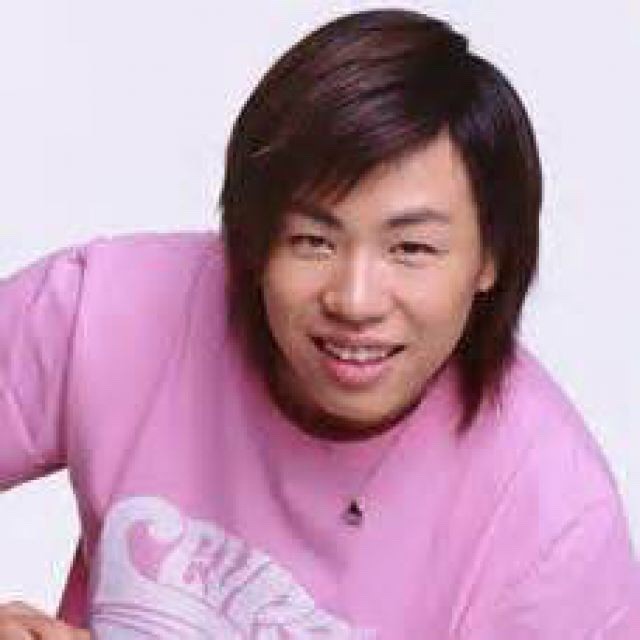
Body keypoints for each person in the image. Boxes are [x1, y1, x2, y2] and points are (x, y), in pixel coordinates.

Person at [0, 8, 638, 639]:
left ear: (490, 257)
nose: (355, 301)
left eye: (411, 248)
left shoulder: (551, 520)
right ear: (255, 239)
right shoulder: (109, 309)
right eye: (313, 240)